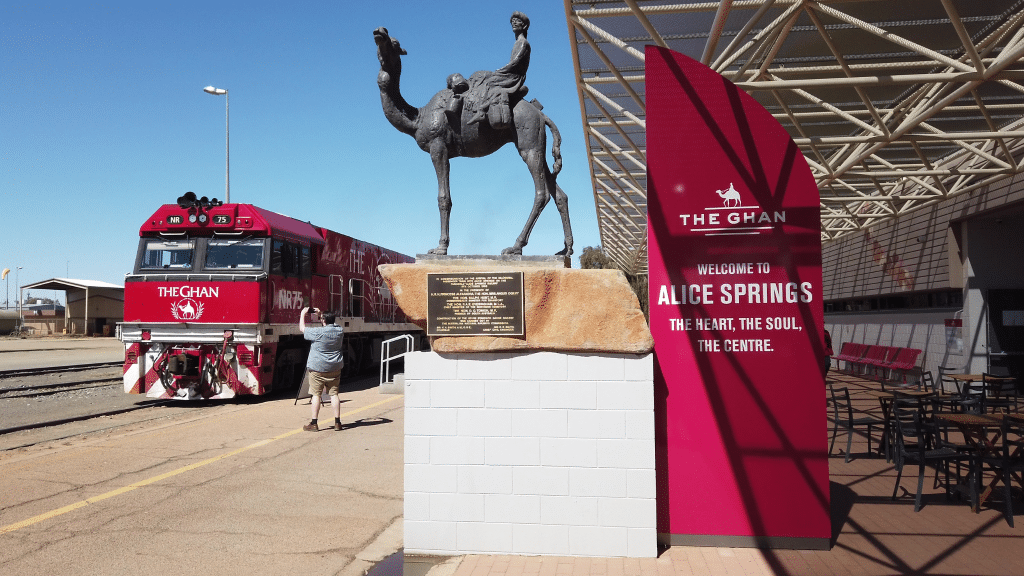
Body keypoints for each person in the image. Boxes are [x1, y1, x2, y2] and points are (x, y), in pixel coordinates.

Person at [466, 11, 531, 127]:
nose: (514, 23)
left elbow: (515, 62)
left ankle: (482, 110)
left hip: (514, 76)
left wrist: (499, 71)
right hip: (511, 73)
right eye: (513, 21)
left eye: (518, 21)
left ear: (524, 26)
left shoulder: (523, 43)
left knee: (489, 81)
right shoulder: (518, 42)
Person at [300, 306, 344, 431]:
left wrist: (303, 314)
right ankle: (337, 423)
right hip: (335, 368)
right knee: (334, 394)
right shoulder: (340, 330)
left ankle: (314, 423)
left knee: (316, 395)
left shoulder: (317, 332)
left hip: (317, 368)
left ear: (323, 320)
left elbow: (302, 328)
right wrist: (321, 315)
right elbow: (330, 324)